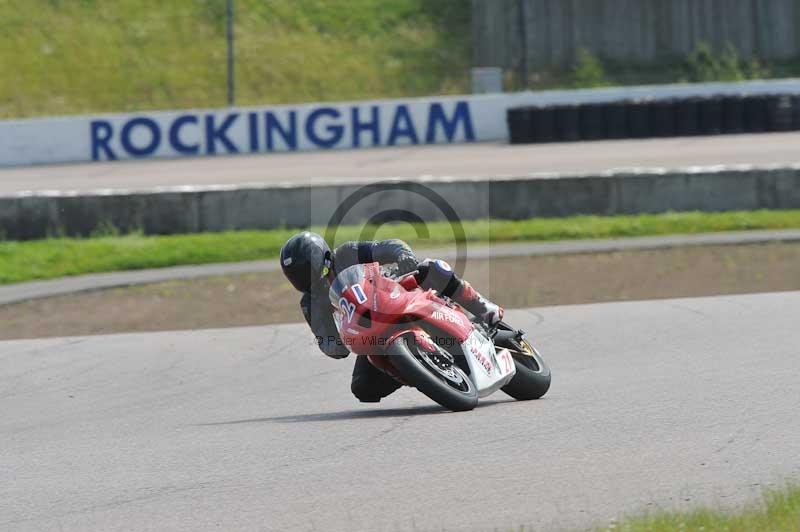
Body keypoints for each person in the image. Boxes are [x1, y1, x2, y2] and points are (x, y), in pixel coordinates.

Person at [280, 231, 504, 403]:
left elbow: (388, 247)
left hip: (395, 295)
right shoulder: (311, 303)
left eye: (305, 269)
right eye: (296, 275)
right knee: (363, 388)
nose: (302, 279)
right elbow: (331, 345)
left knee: (430, 267)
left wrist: (403, 256)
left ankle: (481, 306)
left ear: (322, 258)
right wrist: (332, 342)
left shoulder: (347, 253)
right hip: (370, 333)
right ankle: (420, 371)